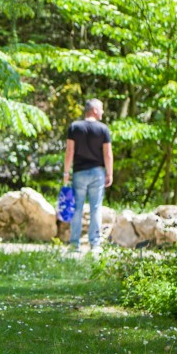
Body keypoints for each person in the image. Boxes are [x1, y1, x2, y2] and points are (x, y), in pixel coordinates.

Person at [63, 98, 113, 253]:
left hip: (79, 173)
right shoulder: (103, 129)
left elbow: (69, 151)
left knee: (77, 208)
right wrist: (109, 173)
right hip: (97, 173)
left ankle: (74, 244)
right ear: (95, 110)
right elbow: (108, 154)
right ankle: (95, 244)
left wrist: (66, 172)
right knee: (95, 208)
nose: (103, 112)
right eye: (102, 109)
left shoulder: (75, 127)